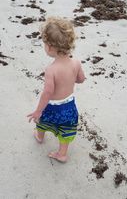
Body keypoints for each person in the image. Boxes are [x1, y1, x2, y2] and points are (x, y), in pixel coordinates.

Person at [27, 17, 85, 163]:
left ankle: (40, 136)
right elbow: (81, 79)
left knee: (42, 120)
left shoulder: (51, 70)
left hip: (53, 107)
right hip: (69, 106)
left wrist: (38, 111)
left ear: (50, 47)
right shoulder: (76, 62)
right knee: (66, 129)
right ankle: (62, 153)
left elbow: (47, 93)